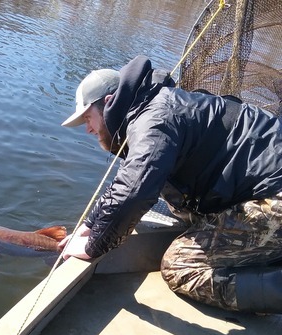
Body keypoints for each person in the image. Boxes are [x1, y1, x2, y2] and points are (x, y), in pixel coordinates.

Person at [59, 55, 282, 314]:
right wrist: (89, 225)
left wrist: (93, 246)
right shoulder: (152, 107)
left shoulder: (153, 119)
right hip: (261, 184)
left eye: (87, 119)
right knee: (177, 207)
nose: (87, 129)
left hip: (274, 194)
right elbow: (126, 180)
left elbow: (134, 192)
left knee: (180, 266)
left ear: (108, 102)